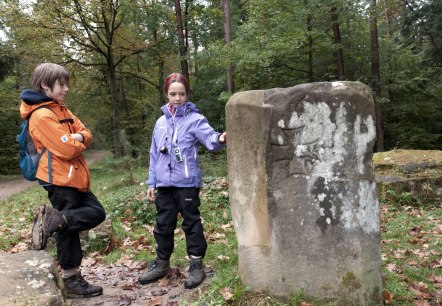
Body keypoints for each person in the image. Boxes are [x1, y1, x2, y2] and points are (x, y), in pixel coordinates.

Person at [19, 63, 106, 298]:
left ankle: (57, 222)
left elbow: (86, 133)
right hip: (59, 179)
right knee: (71, 228)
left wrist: (76, 137)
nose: (66, 88)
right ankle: (71, 279)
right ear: (45, 85)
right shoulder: (41, 115)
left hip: (73, 176)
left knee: (80, 218)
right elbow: (68, 150)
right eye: (61, 84)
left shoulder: (60, 108)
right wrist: (76, 140)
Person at [139, 73, 227, 289]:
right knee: (163, 224)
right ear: (166, 94)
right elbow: (154, 154)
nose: (177, 98)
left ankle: (196, 265)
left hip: (187, 183)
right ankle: (161, 264)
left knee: (192, 223)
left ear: (187, 94)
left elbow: (210, 138)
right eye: (173, 94)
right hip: (164, 184)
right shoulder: (160, 122)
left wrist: (220, 138)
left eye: (181, 94)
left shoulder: (195, 119)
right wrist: (152, 182)